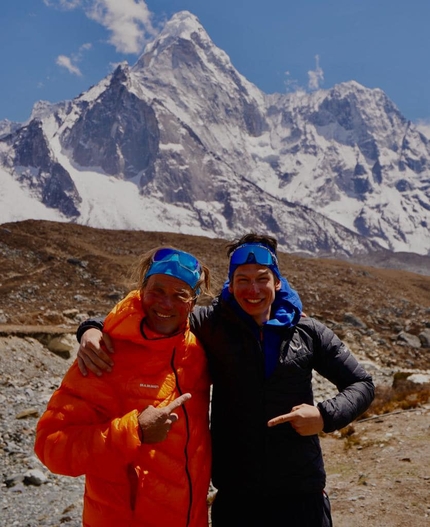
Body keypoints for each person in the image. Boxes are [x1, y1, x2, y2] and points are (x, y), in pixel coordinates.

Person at [76, 233, 375, 527]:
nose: (253, 289)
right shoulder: (210, 324)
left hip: (302, 494)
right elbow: (156, 312)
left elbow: (362, 384)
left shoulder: (308, 332)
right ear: (230, 285)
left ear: (278, 283)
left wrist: (323, 416)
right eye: (242, 280)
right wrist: (93, 328)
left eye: (262, 278)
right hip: (237, 498)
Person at [34, 247, 213, 527]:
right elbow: (51, 446)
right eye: (157, 290)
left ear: (193, 302)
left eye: (180, 295)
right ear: (142, 289)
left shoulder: (197, 348)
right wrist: (134, 432)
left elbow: (255, 302)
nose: (166, 304)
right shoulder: (105, 352)